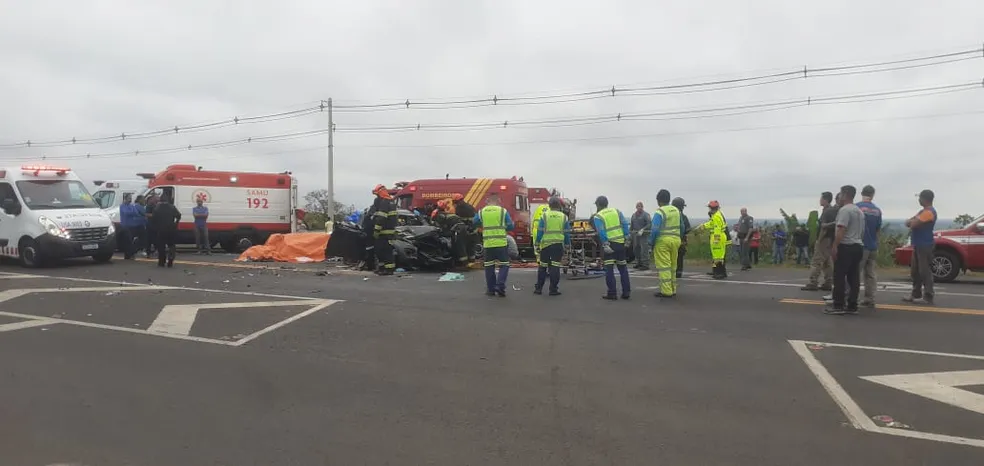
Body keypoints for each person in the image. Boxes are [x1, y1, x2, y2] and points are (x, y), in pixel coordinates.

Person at [825, 185, 865, 315]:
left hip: (846, 245)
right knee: (854, 277)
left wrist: (835, 245)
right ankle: (852, 305)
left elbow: (841, 229)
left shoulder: (845, 210)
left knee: (840, 276)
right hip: (858, 245)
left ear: (845, 194)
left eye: (841, 194)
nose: (840, 197)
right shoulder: (859, 211)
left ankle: (838, 305)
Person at [473, 193, 514, 297]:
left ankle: (491, 290)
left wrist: (483, 226)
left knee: (489, 266)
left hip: (488, 244)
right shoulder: (502, 211)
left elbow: (475, 222)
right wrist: (503, 228)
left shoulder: (482, 212)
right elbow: (510, 226)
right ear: (498, 201)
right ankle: (500, 286)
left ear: (488, 201)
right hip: (501, 243)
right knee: (504, 265)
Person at [592, 195, 630, 300]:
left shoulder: (598, 216)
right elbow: (625, 224)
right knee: (623, 269)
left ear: (598, 205)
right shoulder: (616, 211)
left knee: (609, 269)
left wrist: (605, 244)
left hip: (609, 244)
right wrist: (627, 237)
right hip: (620, 243)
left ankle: (612, 293)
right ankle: (626, 292)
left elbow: (601, 231)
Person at [903, 189, 937, 305]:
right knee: (915, 271)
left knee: (924, 271)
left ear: (924, 199)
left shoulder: (928, 212)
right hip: (918, 244)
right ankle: (916, 293)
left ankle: (928, 295)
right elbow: (909, 221)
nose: (918, 200)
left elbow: (912, 223)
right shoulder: (922, 212)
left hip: (925, 245)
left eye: (920, 198)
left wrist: (912, 222)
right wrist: (912, 221)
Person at [534, 197, 571, 296]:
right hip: (557, 245)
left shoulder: (544, 216)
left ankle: (539, 289)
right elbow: (567, 233)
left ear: (549, 205)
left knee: (543, 267)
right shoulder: (564, 217)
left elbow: (540, 231)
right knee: (555, 267)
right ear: (559, 206)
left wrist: (537, 243)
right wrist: (568, 245)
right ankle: (553, 289)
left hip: (545, 245)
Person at [648, 189, 682, 298]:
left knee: (664, 267)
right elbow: (682, 226)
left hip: (663, 241)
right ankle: (673, 288)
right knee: (673, 266)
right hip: (676, 240)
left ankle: (666, 291)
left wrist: (651, 243)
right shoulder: (676, 210)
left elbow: (654, 229)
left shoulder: (660, 212)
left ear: (659, 200)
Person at [802, 192, 837, 291]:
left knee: (816, 261)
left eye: (821, 199)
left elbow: (823, 228)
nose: (820, 200)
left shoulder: (827, 211)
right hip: (830, 239)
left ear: (825, 200)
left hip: (824, 239)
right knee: (827, 262)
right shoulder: (833, 211)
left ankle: (813, 282)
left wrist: (819, 240)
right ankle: (828, 282)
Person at [856, 185, 882, 307]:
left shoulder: (857, 208)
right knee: (870, 273)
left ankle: (852, 296)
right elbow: (878, 230)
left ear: (862, 193)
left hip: (860, 245)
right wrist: (877, 244)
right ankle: (870, 298)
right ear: (872, 195)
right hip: (872, 245)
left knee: (855, 272)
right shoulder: (877, 210)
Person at [694, 200, 729, 279]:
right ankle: (721, 272)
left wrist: (716, 240)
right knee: (719, 256)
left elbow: (717, 228)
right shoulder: (717, 214)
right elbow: (711, 224)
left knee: (717, 256)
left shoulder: (716, 216)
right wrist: (703, 226)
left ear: (711, 208)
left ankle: (718, 273)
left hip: (717, 236)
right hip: (721, 236)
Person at [371, 184, 398, 275]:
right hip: (388, 232)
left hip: (384, 232)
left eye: (377, 194)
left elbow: (381, 218)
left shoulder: (385, 202)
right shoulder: (391, 201)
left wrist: (376, 231)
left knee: (386, 251)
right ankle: (382, 268)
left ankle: (389, 270)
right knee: (381, 251)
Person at [150, 194, 181, 268]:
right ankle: (170, 260)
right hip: (171, 229)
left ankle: (161, 261)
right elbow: (178, 215)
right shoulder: (172, 207)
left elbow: (153, 219)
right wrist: (175, 224)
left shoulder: (157, 208)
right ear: (167, 200)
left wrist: (156, 227)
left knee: (161, 246)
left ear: (160, 200)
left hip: (161, 229)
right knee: (171, 245)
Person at [118, 193, 145, 260]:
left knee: (141, 238)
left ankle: (132, 252)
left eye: (131, 198)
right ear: (125, 198)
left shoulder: (131, 205)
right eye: (129, 198)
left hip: (133, 226)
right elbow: (127, 213)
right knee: (128, 242)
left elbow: (136, 213)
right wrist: (132, 212)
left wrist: (132, 212)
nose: (130, 199)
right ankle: (128, 255)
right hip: (125, 227)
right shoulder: (122, 206)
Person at [630, 201, 652, 270]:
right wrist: (630, 232)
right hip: (635, 235)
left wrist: (643, 229)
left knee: (644, 250)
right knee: (636, 249)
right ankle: (638, 263)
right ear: (636, 207)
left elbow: (649, 224)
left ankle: (645, 264)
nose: (639, 207)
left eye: (640, 206)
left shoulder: (646, 215)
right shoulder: (633, 215)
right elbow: (631, 224)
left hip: (644, 235)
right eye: (638, 206)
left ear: (642, 207)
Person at [672, 197, 690, 278]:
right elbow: (687, 229)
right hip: (680, 240)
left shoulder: (670, 216)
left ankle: (674, 271)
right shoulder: (683, 217)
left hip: (671, 240)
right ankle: (678, 271)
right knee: (679, 256)